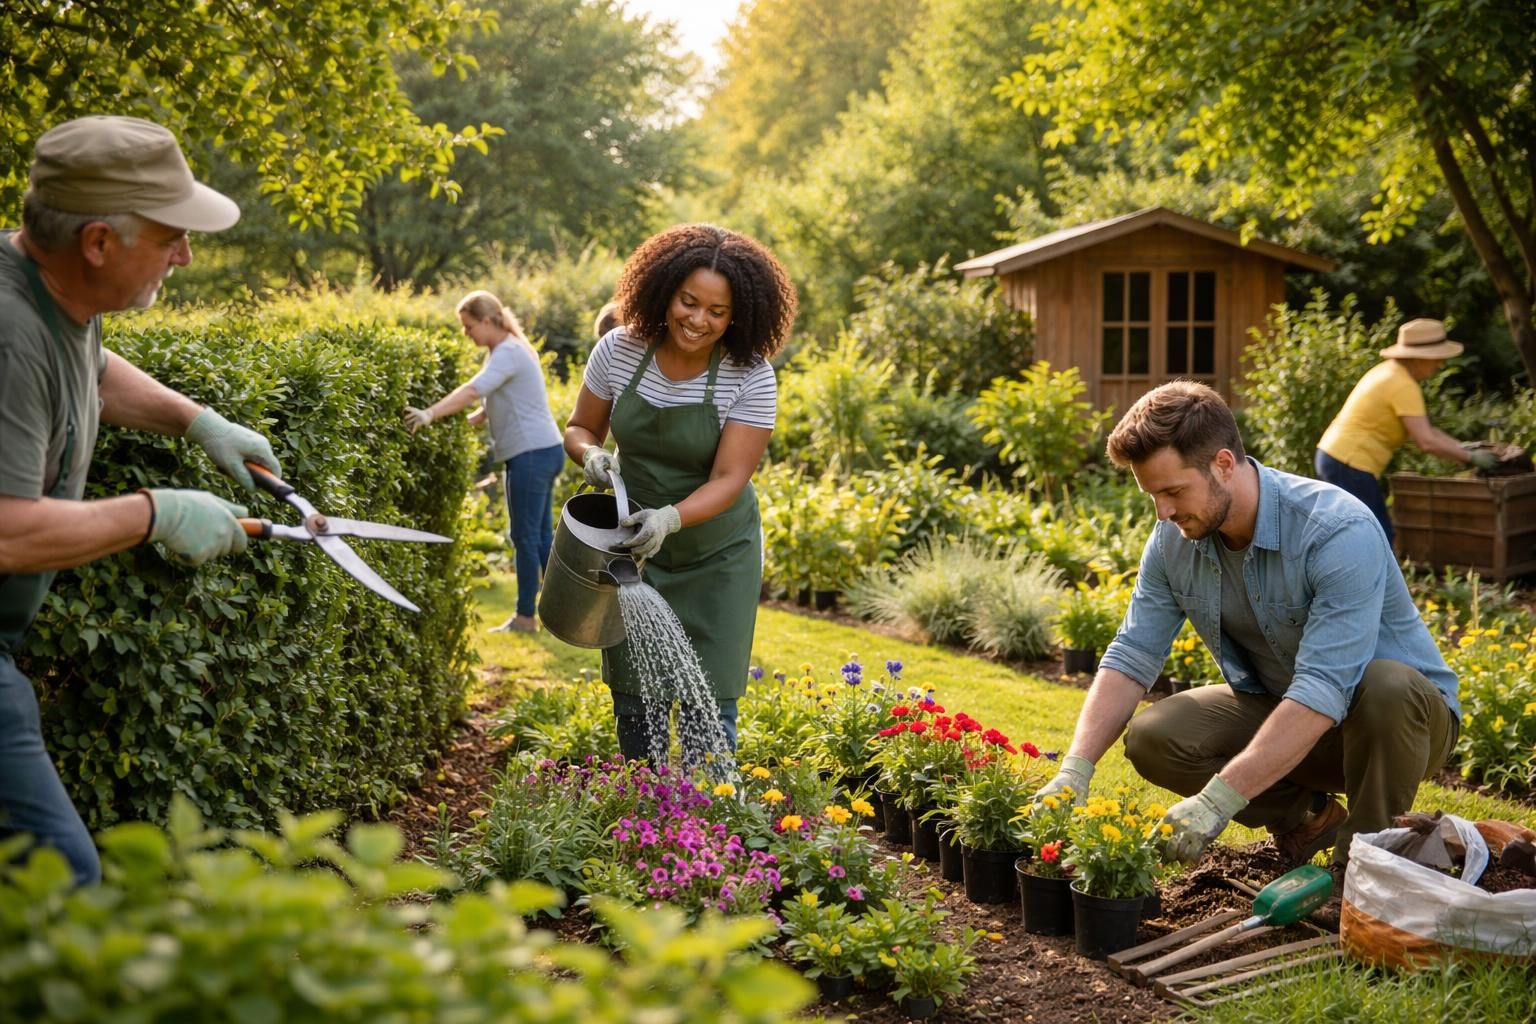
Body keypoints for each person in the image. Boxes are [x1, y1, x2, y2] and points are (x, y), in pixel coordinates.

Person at [1, 115, 281, 885]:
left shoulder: (45, 286)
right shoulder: (7, 331)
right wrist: (154, 514)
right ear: (98, 242)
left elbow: (86, 367)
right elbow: (5, 535)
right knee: (61, 876)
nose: (186, 255)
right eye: (171, 237)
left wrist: (197, 422)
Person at [1034, 381, 1459, 875]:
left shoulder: (1336, 529)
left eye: (1172, 491)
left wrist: (1217, 802)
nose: (1163, 512)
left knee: (1387, 684)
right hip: (1291, 713)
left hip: (1399, 726)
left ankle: (1361, 871)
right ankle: (1309, 818)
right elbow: (1132, 653)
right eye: (1153, 495)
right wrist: (1075, 768)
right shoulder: (1172, 540)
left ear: (1223, 464)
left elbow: (1324, 687)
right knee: (1155, 735)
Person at [563, 224, 796, 762]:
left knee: (707, 705)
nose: (698, 320)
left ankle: (709, 819)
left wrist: (668, 519)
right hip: (631, 552)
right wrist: (591, 454)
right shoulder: (619, 350)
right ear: (664, 290)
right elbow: (580, 427)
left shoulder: (750, 375)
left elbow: (729, 478)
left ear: (738, 314)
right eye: (689, 302)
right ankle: (645, 811)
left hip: (717, 554)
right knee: (635, 699)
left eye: (717, 311)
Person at [403, 291, 565, 633]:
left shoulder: (507, 351)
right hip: (545, 450)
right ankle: (566, 611)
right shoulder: (511, 349)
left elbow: (474, 389)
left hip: (531, 455)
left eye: (469, 326)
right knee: (538, 537)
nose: (466, 334)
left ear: (489, 321)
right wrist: (479, 416)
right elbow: (502, 396)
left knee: (523, 537)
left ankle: (525, 618)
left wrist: (430, 414)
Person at [1315, 318, 1497, 543]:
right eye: (1436, 357)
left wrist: (1459, 447)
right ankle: (1372, 579)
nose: (1440, 363)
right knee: (1375, 535)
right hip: (1348, 462)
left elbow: (1425, 430)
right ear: (1418, 357)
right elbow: (1426, 441)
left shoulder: (1390, 373)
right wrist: (1470, 457)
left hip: (1336, 457)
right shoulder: (1402, 385)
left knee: (1355, 534)